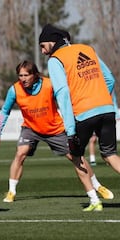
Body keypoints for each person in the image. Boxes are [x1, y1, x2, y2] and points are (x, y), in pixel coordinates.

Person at [0, 60, 113, 209]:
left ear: (34, 75)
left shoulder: (49, 84)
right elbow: (5, 111)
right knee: (20, 153)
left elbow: (67, 98)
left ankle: (97, 185)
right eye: (20, 75)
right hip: (31, 128)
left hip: (55, 129)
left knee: (76, 157)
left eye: (26, 75)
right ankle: (11, 191)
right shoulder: (15, 90)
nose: (22, 79)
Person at [39, 24, 120, 211]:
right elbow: (110, 79)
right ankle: (96, 198)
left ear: (53, 41)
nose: (43, 51)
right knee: (110, 155)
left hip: (83, 113)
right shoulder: (87, 49)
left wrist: (70, 130)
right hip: (107, 109)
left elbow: (62, 93)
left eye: (43, 46)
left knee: (76, 155)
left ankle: (94, 201)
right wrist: (103, 101)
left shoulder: (55, 59)